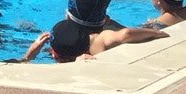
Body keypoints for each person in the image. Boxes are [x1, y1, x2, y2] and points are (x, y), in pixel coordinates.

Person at [25, 18, 169, 63]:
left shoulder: (66, 66)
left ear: (54, 55)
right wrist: (156, 33)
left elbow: (18, 66)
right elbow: (127, 33)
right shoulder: (98, 42)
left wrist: (28, 56)